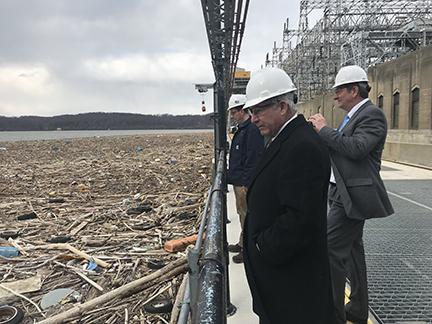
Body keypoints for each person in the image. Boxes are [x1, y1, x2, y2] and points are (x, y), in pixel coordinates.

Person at [242, 67, 334, 323]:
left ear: (282, 106)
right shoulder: (288, 138)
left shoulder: (302, 146)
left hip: (292, 286)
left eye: (258, 110)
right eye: (251, 111)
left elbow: (300, 219)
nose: (253, 118)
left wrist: (261, 247)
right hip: (284, 282)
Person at [308, 65, 394, 324]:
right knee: (354, 254)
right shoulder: (355, 116)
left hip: (352, 197)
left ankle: (332, 316)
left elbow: (356, 148)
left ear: (354, 90)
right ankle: (356, 310)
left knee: (330, 251)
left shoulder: (372, 115)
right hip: (340, 193)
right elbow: (341, 150)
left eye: (339, 91)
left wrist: (324, 130)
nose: (336, 97)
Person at [227, 94, 264, 263]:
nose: (232, 116)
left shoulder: (251, 130)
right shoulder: (243, 130)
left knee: (247, 215)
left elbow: (253, 158)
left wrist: (248, 183)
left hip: (243, 183)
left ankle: (247, 249)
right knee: (242, 213)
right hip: (238, 180)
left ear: (242, 110)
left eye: (234, 112)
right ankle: (243, 243)